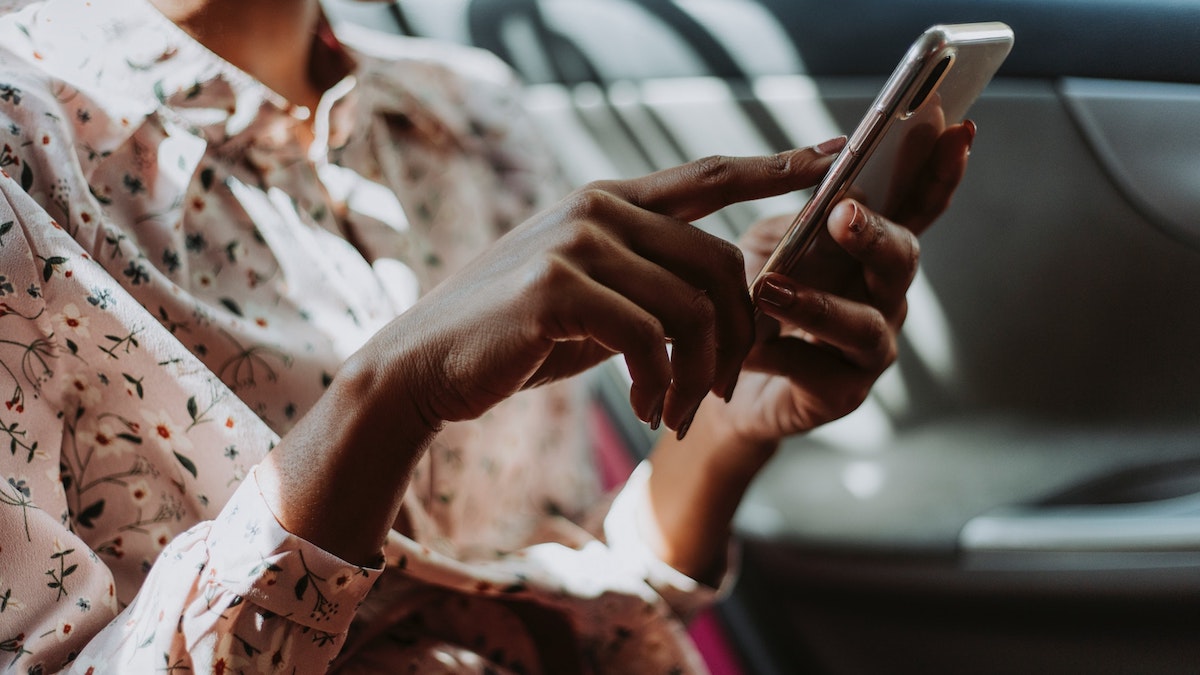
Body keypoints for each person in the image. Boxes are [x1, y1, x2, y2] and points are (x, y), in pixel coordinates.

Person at [0, 0, 974, 672]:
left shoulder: (475, 114)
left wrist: (732, 427)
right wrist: (387, 398)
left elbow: (564, 585)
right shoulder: (24, 156)